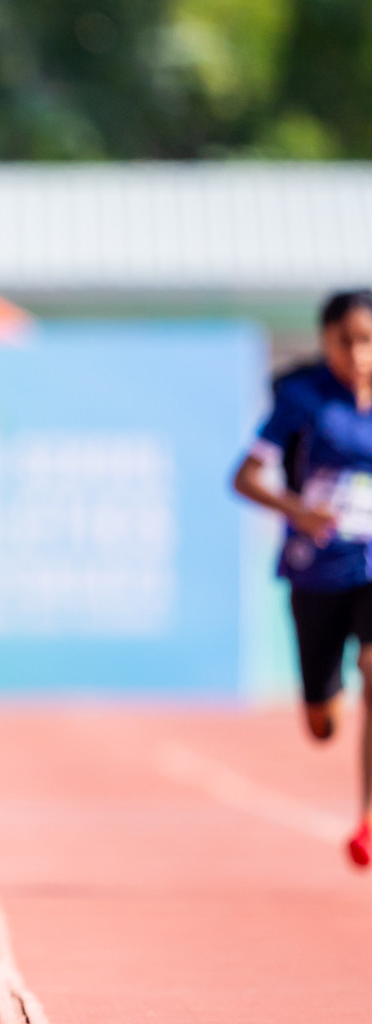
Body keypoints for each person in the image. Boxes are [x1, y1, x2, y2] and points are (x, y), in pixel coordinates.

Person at [232, 288, 372, 869]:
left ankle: (366, 819)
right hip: (316, 572)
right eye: (348, 341)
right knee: (321, 721)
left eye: (369, 341)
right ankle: (324, 697)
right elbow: (244, 477)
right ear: (326, 341)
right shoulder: (301, 398)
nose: (360, 354)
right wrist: (298, 511)